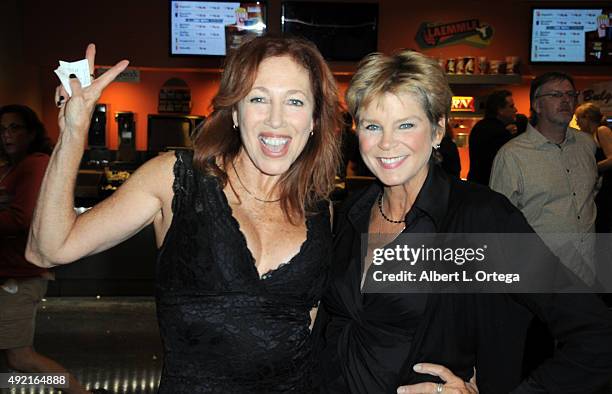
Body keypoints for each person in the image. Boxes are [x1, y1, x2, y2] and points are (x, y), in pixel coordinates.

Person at [26, 37, 341, 393]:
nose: (276, 119)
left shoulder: (319, 211)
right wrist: (72, 132)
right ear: (235, 112)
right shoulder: (176, 180)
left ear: (315, 119)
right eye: (258, 98)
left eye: (295, 101)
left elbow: (309, 327)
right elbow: (49, 249)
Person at [313, 50, 612, 394]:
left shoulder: (481, 217)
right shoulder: (354, 212)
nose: (385, 143)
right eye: (372, 126)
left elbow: (595, 333)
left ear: (438, 128)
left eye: (406, 124)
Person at [0, 105, 96, 394]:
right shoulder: (16, 166)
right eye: (2, 129)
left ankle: (77, 392)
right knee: (13, 362)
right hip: (13, 274)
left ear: (31, 132)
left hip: (18, 277)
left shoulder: (34, 164)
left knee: (20, 357)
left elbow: (22, 219)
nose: (7, 135)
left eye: (15, 128)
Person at [490, 72, 599, 285]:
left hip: (587, 274)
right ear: (537, 106)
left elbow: (589, 196)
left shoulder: (586, 145)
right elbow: (498, 222)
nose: (566, 100)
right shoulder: (512, 155)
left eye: (570, 94)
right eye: (556, 95)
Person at [575, 102, 612, 232]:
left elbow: (611, 159)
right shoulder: (585, 137)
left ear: (587, 118)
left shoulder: (601, 131)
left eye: (578, 118)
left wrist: (592, 168)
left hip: (606, 187)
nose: (577, 123)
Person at [467, 89, 517, 185]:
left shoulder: (480, 127)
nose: (515, 110)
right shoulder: (500, 133)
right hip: (491, 186)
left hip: (476, 185)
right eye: (511, 106)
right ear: (500, 110)